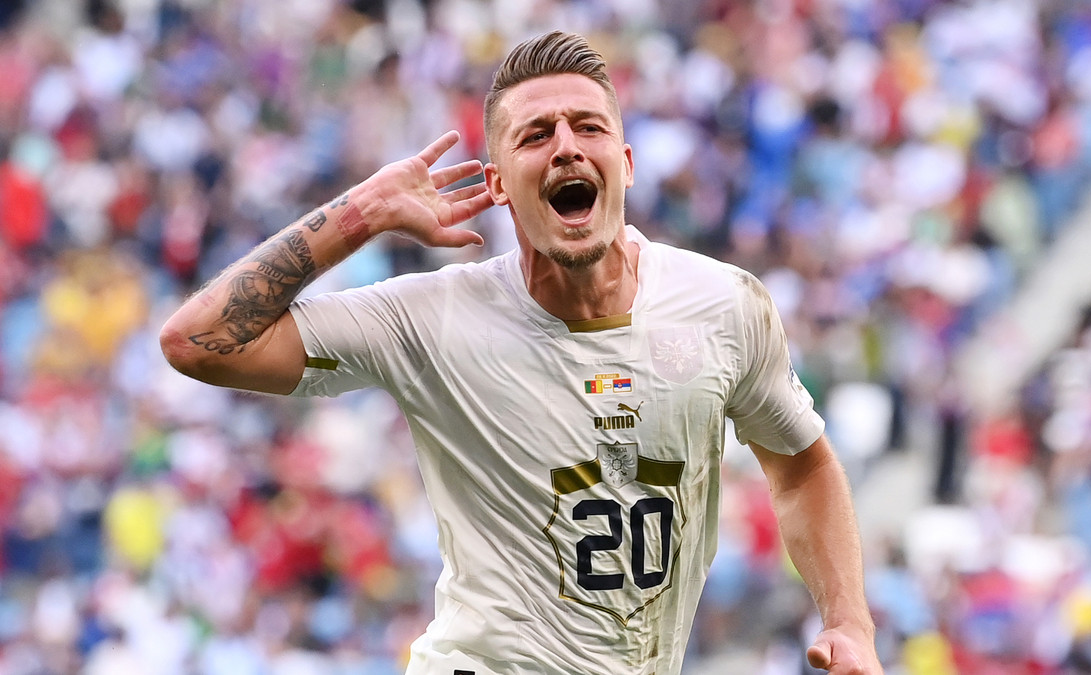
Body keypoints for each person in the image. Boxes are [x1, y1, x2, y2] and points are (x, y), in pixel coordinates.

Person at [160, 30, 882, 675]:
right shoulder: (431, 318)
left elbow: (802, 465)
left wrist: (849, 620)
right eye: (536, 135)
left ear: (626, 163)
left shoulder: (724, 304)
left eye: (588, 126)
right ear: (498, 183)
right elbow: (198, 341)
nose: (566, 145)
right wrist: (363, 213)